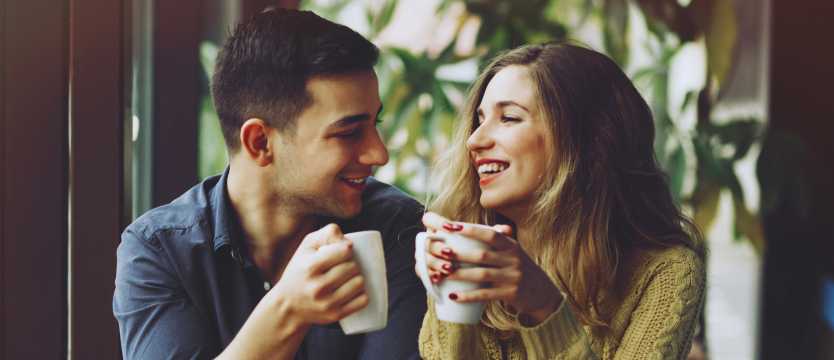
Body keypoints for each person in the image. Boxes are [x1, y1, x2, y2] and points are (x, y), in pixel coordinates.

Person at [113, 9, 426, 360]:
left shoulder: (395, 227)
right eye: (350, 132)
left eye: (375, 123)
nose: (378, 153)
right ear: (260, 142)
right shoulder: (160, 251)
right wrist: (288, 309)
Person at [417, 42, 706, 359]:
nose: (475, 140)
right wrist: (451, 297)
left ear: (587, 140)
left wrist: (543, 306)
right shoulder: (470, 257)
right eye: (480, 119)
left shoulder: (664, 272)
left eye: (510, 118)